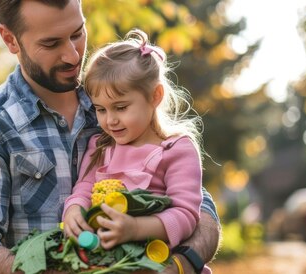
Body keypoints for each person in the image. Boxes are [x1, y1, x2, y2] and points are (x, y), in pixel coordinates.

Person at [0, 1, 221, 273]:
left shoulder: (116, 94)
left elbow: (198, 207)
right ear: (10, 40)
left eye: (77, 33)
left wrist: (180, 265)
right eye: (51, 43)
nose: (71, 55)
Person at [62, 28, 210, 272]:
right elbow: (85, 187)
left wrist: (136, 228)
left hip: (159, 263)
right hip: (111, 263)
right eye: (101, 109)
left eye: (120, 107)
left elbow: (186, 214)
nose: (110, 120)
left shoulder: (176, 150)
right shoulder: (100, 146)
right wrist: (74, 209)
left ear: (155, 96)